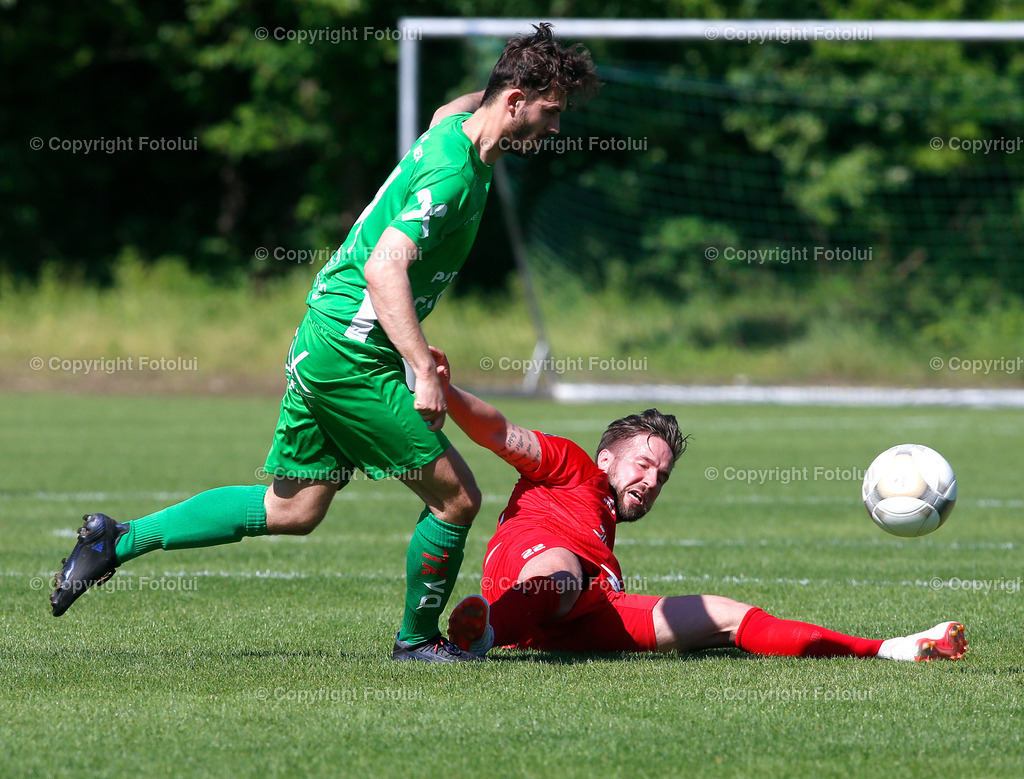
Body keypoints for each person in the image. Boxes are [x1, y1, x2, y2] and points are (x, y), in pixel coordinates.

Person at [49, 23, 599, 663]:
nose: (555, 127)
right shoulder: (452, 176)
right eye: (550, 110)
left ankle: (114, 540)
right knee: (456, 498)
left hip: (326, 336)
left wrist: (525, 72)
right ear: (513, 102)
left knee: (295, 508)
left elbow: (455, 105)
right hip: (350, 355)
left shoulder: (455, 128)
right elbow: (383, 268)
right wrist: (420, 366)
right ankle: (417, 643)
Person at [430, 348, 968, 662]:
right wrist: (445, 390)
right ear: (606, 458)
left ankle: (888, 648)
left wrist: (888, 647)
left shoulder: (605, 534)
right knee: (561, 574)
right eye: (641, 464)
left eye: (661, 475)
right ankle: (484, 635)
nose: (650, 480)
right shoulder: (570, 466)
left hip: (593, 607)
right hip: (530, 572)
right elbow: (496, 431)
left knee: (728, 617)